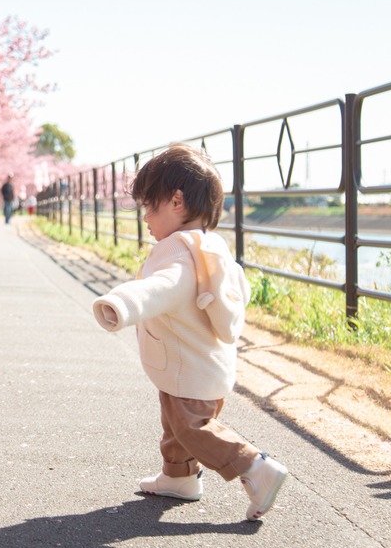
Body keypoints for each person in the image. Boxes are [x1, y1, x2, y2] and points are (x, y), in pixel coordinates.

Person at [90, 144, 287, 521]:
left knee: (192, 429)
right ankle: (178, 478)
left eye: (151, 206)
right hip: (204, 366)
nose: (145, 217)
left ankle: (256, 467)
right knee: (175, 427)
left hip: (187, 368)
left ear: (177, 201)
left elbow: (159, 289)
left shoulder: (179, 255)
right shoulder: (212, 250)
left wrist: (120, 304)